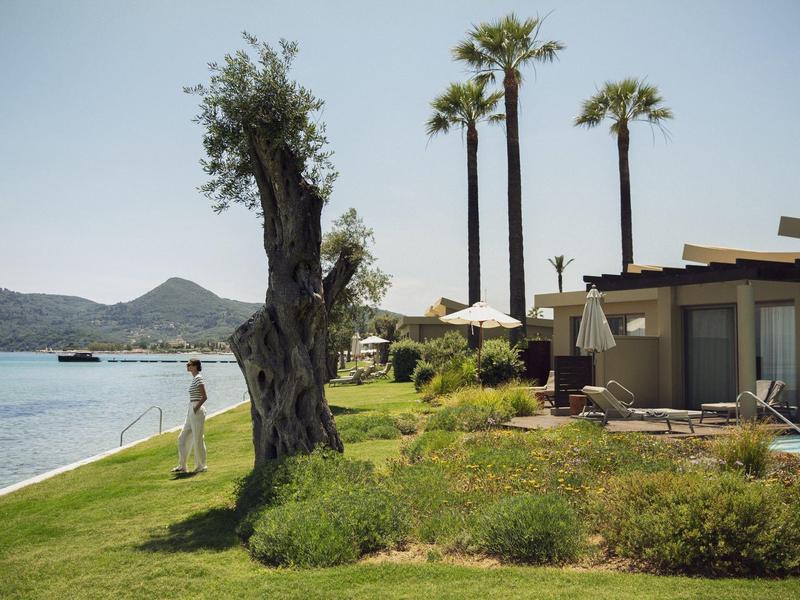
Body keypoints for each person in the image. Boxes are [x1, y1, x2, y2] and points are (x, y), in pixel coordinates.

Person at [171, 359, 208, 473]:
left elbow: (204, 396)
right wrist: (192, 409)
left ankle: (201, 466)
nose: (187, 366)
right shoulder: (195, 379)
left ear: (195, 366)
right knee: (182, 438)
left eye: (189, 365)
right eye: (187, 365)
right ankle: (183, 466)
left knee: (198, 439)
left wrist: (196, 408)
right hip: (191, 409)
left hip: (196, 409)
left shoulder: (199, 379)